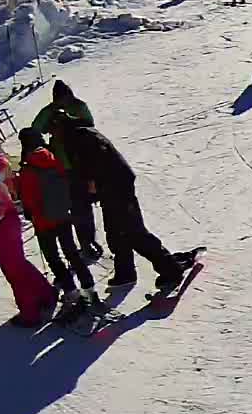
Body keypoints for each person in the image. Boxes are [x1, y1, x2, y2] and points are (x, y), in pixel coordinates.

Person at [54, 123, 194, 291]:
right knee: (115, 232)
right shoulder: (82, 134)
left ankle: (170, 269)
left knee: (134, 232)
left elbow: (89, 171)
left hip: (118, 188)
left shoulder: (78, 141)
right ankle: (125, 273)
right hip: (112, 188)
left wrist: (88, 191)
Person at [0, 130, 55, 326]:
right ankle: (45, 293)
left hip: (1, 221)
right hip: (5, 219)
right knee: (17, 264)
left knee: (13, 268)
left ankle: (30, 312)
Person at [16, 127, 95, 316]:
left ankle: (71, 292)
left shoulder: (28, 169)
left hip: (44, 222)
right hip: (63, 215)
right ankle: (89, 289)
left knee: (53, 258)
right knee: (72, 253)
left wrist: (29, 212)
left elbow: (28, 198)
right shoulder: (52, 158)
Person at [32, 80, 102, 258]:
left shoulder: (79, 107)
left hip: (80, 163)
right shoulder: (51, 111)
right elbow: (35, 129)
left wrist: (68, 122)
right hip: (62, 167)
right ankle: (85, 242)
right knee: (75, 207)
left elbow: (89, 126)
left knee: (83, 207)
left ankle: (89, 241)